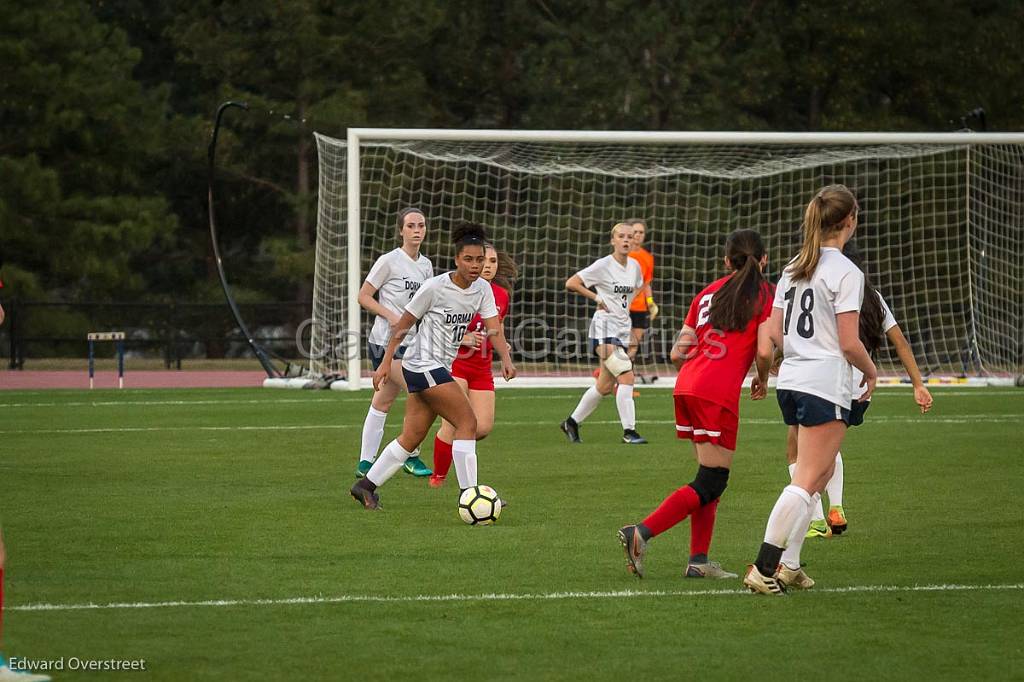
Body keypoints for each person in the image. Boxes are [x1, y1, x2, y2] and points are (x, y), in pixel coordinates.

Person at [617, 229, 775, 579]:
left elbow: (677, 353)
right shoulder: (766, 293)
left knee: (709, 478)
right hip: (716, 392)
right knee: (712, 481)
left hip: (688, 383)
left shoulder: (707, 293)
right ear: (764, 260)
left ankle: (699, 561)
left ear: (725, 261)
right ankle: (640, 533)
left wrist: (699, 369)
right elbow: (765, 350)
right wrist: (762, 377)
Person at [744, 184, 877, 595]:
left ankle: (790, 565)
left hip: (795, 379)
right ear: (850, 220)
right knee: (806, 480)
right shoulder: (846, 272)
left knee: (815, 478)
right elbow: (850, 342)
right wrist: (872, 375)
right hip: (823, 383)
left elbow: (778, 331)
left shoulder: (794, 267)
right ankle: (764, 568)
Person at [350, 223, 517, 510]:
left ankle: (365, 486)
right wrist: (385, 364)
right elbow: (402, 327)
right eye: (469, 259)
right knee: (467, 422)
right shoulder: (435, 287)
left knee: (412, 436)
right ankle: (471, 496)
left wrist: (506, 358)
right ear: (457, 260)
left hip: (437, 367)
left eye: (480, 260)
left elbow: (494, 329)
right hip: (421, 364)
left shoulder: (483, 290)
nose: (475, 265)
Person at [793, 242, 934, 539]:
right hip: (861, 392)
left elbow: (816, 336)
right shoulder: (875, 299)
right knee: (829, 446)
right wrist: (918, 384)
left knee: (800, 449)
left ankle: (816, 520)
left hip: (829, 383)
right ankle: (837, 508)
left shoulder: (829, 292)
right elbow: (900, 342)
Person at [353, 208, 434, 479]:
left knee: (384, 400)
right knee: (419, 391)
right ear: (401, 230)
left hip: (411, 343)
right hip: (384, 343)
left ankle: (365, 462)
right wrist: (389, 315)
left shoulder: (426, 265)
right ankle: (411, 455)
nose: (416, 231)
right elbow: (364, 296)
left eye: (421, 226)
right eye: (411, 226)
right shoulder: (389, 261)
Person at [429, 244, 517, 488]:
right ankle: (439, 478)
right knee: (455, 422)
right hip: (456, 363)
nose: (488, 266)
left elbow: (497, 327)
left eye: (493, 262)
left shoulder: (501, 294)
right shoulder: (460, 291)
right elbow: (441, 326)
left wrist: (504, 349)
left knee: (483, 426)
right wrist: (464, 338)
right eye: (484, 261)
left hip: (482, 367)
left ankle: (457, 464)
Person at [560, 222, 647, 445]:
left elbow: (638, 287)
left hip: (622, 329)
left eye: (630, 236)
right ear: (613, 240)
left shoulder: (635, 266)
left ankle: (571, 422)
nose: (626, 240)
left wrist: (623, 307)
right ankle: (630, 431)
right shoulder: (603, 265)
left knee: (604, 386)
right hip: (603, 330)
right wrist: (598, 299)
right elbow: (572, 283)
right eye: (621, 236)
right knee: (627, 375)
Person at [626, 219, 658, 373]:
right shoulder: (622, 254)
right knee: (617, 344)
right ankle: (610, 376)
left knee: (633, 345)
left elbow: (646, 284)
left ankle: (625, 380)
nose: (638, 235)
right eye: (635, 232)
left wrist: (651, 303)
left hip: (639, 307)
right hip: (622, 305)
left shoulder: (648, 257)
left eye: (641, 232)